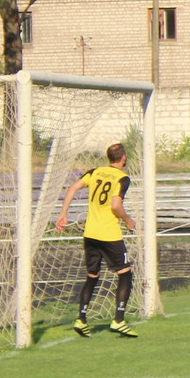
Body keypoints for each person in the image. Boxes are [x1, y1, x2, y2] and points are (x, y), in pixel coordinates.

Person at [53, 142, 140, 337]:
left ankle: (81, 319)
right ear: (124, 157)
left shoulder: (95, 172)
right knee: (125, 274)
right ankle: (118, 320)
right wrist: (128, 220)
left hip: (90, 233)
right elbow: (116, 206)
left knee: (93, 276)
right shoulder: (123, 178)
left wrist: (63, 214)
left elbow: (73, 188)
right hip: (109, 235)